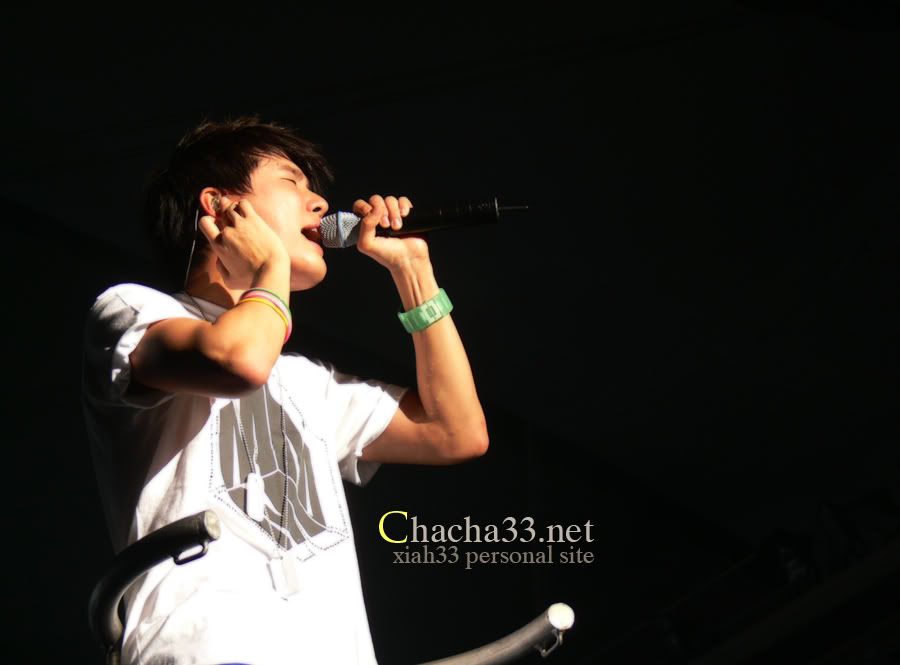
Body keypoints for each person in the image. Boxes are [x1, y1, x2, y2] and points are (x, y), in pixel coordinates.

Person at [81, 115, 489, 664]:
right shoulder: (133, 310)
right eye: (292, 182)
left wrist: (414, 273)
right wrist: (269, 264)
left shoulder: (305, 381)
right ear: (220, 206)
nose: (320, 203)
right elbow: (239, 362)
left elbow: (455, 432)